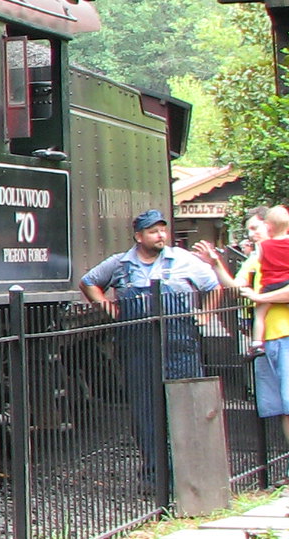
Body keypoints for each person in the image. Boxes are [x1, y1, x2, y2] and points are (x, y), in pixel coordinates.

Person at [81, 210, 221, 492]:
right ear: (139, 237)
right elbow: (88, 282)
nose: (160, 236)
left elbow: (213, 287)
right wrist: (108, 309)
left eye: (162, 231)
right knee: (145, 410)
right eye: (153, 232)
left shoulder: (184, 260)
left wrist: (204, 316)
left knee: (185, 406)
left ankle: (190, 476)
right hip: (137, 345)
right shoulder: (120, 265)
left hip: (179, 344)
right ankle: (153, 475)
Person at [195, 205, 289, 491]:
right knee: (282, 407)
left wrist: (261, 296)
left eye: (255, 228)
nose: (251, 234)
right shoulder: (258, 255)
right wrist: (216, 264)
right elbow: (236, 287)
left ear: (270, 225)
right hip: (269, 340)